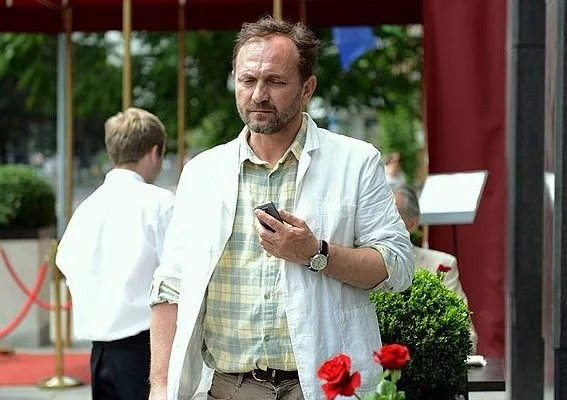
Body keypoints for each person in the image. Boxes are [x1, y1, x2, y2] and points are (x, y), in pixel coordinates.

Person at [149, 17, 413, 400]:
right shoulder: (202, 173)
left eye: (274, 81)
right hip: (229, 387)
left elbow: (397, 266)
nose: (258, 94)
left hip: (321, 386)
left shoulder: (356, 161)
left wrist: (315, 253)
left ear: (307, 89)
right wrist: (160, 387)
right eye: (247, 80)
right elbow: (170, 286)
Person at [56, 107, 174, 400]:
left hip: (99, 353)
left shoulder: (86, 208)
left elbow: (65, 263)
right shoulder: (160, 204)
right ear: (154, 151)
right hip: (147, 348)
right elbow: (177, 274)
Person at [393, 184, 478, 353]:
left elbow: (466, 336)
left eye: (392, 217)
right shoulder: (359, 266)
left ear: (412, 223)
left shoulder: (442, 264)